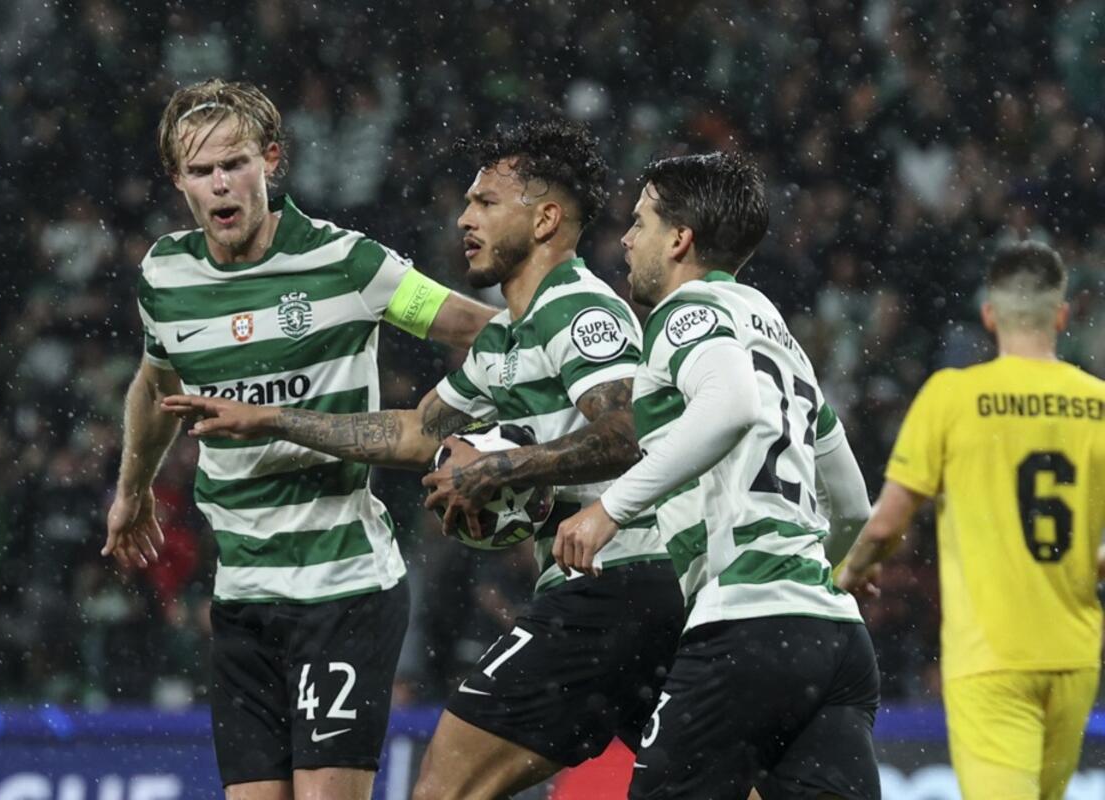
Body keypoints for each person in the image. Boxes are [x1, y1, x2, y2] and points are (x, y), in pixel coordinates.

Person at [162, 119, 684, 800]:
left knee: (444, 788)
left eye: (486, 203)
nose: (465, 218)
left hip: (619, 581)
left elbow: (629, 429)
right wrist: (273, 419)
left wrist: (501, 468)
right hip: (631, 590)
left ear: (546, 219)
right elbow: (415, 432)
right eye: (467, 202)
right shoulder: (503, 340)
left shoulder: (576, 308)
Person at [102, 78, 496, 800]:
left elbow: (482, 331)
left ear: (271, 160)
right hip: (243, 595)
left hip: (342, 588)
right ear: (178, 180)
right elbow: (156, 385)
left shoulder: (348, 263)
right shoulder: (165, 274)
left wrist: (489, 428)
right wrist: (133, 490)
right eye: (201, 170)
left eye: (235, 163)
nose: (221, 184)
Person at [555, 152, 880, 799]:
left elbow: (731, 407)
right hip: (834, 637)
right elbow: (852, 507)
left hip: (746, 627)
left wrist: (609, 509)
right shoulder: (783, 340)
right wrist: (808, 583)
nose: (626, 238)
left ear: (680, 239)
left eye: (641, 221)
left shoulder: (688, 310)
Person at [837, 241, 1105, 800]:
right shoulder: (1097, 402)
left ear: (988, 315)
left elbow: (886, 525)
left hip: (992, 656)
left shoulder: (954, 397)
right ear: (1061, 316)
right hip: (1073, 654)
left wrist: (853, 571)